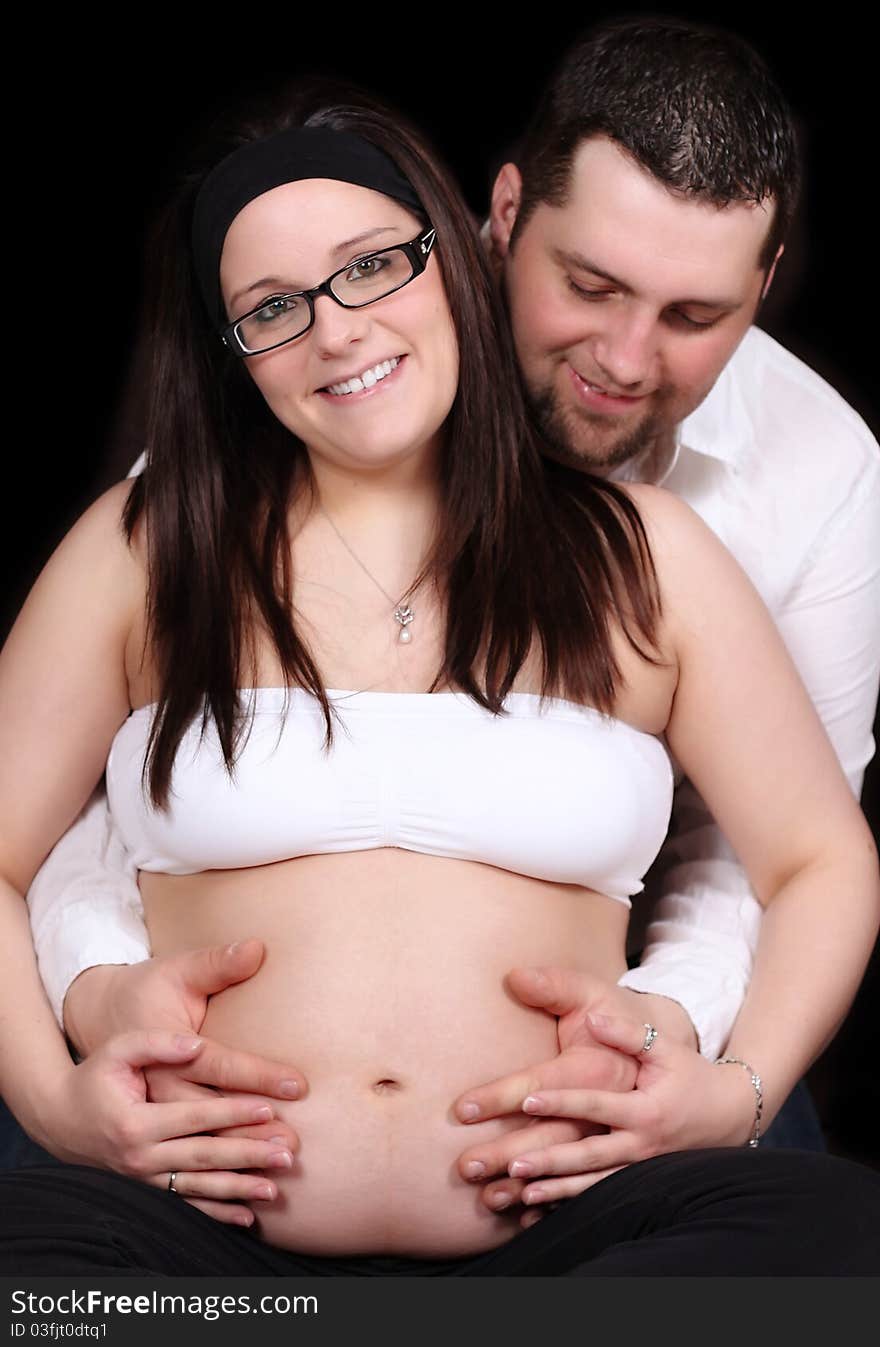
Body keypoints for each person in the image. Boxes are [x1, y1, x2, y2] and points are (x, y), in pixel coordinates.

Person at [0, 77, 879, 1275]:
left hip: (580, 1218)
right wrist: (57, 1099)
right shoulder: (150, 542)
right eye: (271, 309)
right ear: (231, 356)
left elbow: (816, 857)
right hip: (189, 1226)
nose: (338, 331)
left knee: (826, 1245)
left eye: (370, 268)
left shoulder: (649, 551)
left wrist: (733, 1092)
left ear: (454, 259)